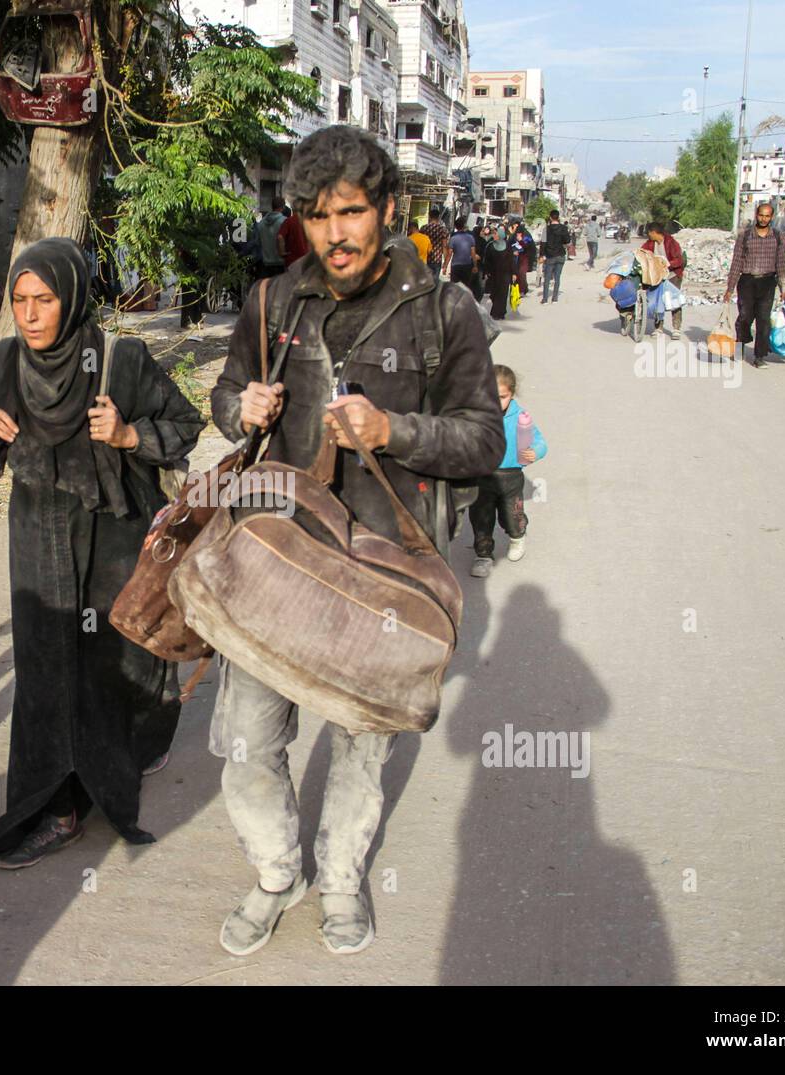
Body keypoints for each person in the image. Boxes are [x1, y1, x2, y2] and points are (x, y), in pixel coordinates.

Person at [209, 124, 504, 957]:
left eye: (350, 211)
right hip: (270, 559)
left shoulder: (446, 311)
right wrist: (242, 408)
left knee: (359, 745)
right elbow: (227, 390)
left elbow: (483, 438)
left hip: (379, 578)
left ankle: (339, 877)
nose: (333, 233)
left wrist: (396, 429)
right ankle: (277, 872)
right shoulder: (274, 301)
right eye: (315, 214)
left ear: (387, 208)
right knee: (247, 740)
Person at [0, 238, 205, 868]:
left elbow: (186, 424)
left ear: (71, 297)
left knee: (107, 666)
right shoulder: (1, 364)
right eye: (18, 300)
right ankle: (57, 808)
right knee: (46, 676)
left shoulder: (121, 362)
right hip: (38, 540)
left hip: (111, 537)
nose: (29, 314)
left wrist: (129, 434)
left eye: (43, 299)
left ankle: (123, 750)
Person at [469, 364, 546, 579]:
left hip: (511, 477)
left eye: (501, 397)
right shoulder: (477, 415)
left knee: (512, 515)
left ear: (511, 394)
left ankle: (517, 536)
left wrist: (535, 452)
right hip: (482, 476)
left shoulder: (521, 418)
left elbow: (540, 441)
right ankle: (483, 554)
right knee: (481, 517)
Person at [723, 201, 785, 369]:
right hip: (747, 281)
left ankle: (759, 356)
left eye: (767, 216)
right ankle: (740, 346)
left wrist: (783, 288)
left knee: (763, 320)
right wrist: (730, 288)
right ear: (756, 215)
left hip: (767, 282)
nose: (763, 218)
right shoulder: (745, 236)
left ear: (771, 217)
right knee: (745, 317)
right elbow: (737, 262)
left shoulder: (777, 237)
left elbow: (781, 263)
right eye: (761, 215)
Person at [640, 220, 686, 339]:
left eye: (649, 232)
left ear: (654, 232)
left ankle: (676, 329)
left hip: (672, 275)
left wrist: (667, 264)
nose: (648, 235)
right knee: (656, 300)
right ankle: (658, 327)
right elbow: (642, 252)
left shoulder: (671, 242)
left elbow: (679, 260)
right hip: (657, 276)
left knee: (674, 300)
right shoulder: (650, 243)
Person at [484, 223, 515, 320]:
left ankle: (498, 313)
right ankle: (500, 311)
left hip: (505, 274)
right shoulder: (490, 246)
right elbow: (487, 260)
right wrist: (486, 272)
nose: (494, 236)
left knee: (503, 293)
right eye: (494, 234)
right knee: (494, 293)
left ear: (501, 235)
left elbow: (511, 260)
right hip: (494, 274)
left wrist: (514, 273)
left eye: (496, 234)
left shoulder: (508, 246)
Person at [539, 209, 571, 303]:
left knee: (547, 278)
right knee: (557, 277)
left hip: (550, 256)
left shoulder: (546, 229)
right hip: (560, 255)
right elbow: (567, 240)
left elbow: (543, 243)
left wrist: (542, 255)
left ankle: (545, 299)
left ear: (550, 217)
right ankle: (555, 298)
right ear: (558, 217)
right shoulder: (563, 228)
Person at [256, 198, 287, 278]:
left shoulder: (261, 223)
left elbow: (257, 243)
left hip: (266, 265)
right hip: (281, 264)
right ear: (283, 207)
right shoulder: (285, 222)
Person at [447, 215, 478, 291]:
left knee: (454, 287)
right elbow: (473, 253)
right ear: (464, 226)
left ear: (456, 227)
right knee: (466, 287)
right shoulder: (470, 237)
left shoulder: (453, 238)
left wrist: (445, 265)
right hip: (467, 265)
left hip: (455, 265)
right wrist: (475, 265)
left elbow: (450, 253)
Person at [422, 206, 450, 280]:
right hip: (437, 260)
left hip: (425, 258)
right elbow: (444, 246)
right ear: (438, 217)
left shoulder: (423, 228)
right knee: (435, 281)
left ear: (429, 217)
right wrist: (445, 264)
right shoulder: (443, 230)